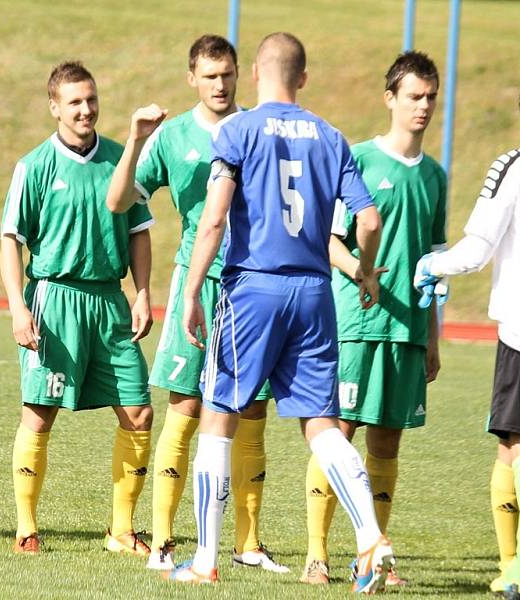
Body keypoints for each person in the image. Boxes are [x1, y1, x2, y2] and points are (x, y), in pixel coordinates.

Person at [167, 32, 394, 593]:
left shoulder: (238, 130)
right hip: (315, 294)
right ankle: (370, 539)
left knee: (218, 419)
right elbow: (368, 221)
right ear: (304, 78)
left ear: (255, 75)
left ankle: (205, 559)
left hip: (253, 291)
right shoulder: (331, 136)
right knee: (321, 424)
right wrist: (365, 272)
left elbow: (215, 220)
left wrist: (192, 291)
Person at [106, 34, 286, 574]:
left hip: (250, 285)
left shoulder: (257, 128)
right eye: (210, 75)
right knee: (185, 408)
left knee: (252, 411)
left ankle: (248, 544)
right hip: (197, 283)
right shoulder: (173, 136)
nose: (220, 84)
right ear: (192, 79)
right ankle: (163, 543)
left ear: (240, 75)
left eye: (228, 73)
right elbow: (118, 201)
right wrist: (136, 140)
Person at [302, 51, 446, 587]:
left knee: (387, 444)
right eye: (414, 96)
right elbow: (329, 239)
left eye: (430, 97)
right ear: (390, 98)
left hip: (407, 329)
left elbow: (432, 264)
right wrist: (360, 273)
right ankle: (316, 554)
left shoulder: (435, 175)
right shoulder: (358, 159)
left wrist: (432, 337)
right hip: (356, 325)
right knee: (338, 433)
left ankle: (374, 559)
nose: (423, 106)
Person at [0, 61, 155, 557]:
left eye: (91, 99)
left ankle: (121, 530)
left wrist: (144, 292)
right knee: (40, 414)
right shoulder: (34, 166)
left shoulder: (119, 158)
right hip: (54, 298)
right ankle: (26, 527)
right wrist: (18, 308)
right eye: (74, 102)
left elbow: (139, 231)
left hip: (110, 301)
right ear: (54, 107)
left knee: (138, 411)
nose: (85, 109)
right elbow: (11, 242)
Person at [414, 97, 520, 598]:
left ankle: (513, 566)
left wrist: (430, 266)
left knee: (513, 448)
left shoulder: (511, 167)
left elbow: (477, 250)